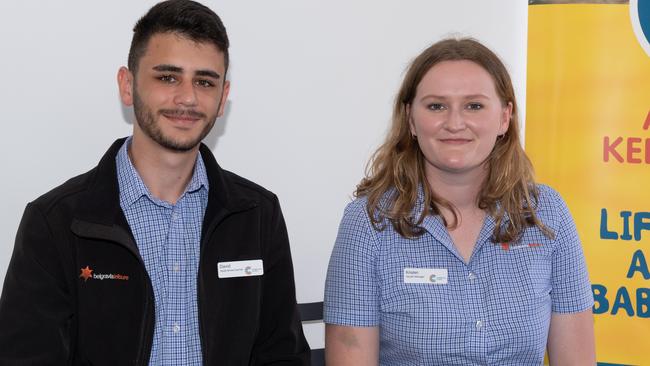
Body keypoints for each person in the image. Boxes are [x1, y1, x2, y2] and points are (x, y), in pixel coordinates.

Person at [0, 1, 310, 364]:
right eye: (167, 77)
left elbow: (281, 355)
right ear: (127, 86)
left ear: (223, 97)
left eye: (204, 81)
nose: (188, 97)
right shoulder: (56, 223)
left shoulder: (257, 215)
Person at [323, 38, 595, 365]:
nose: (454, 123)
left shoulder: (546, 212)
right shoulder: (369, 222)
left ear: (504, 117)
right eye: (436, 106)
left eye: (474, 106)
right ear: (410, 119)